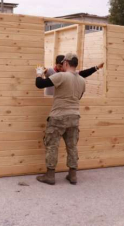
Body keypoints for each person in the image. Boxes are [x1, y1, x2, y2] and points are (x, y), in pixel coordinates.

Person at [35, 52, 85, 185]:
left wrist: (39, 73)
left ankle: (50, 176)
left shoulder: (61, 76)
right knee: (72, 146)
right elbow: (78, 97)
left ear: (66, 63)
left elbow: (40, 84)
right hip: (75, 117)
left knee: (52, 145)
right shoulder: (82, 80)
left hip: (58, 117)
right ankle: (72, 175)